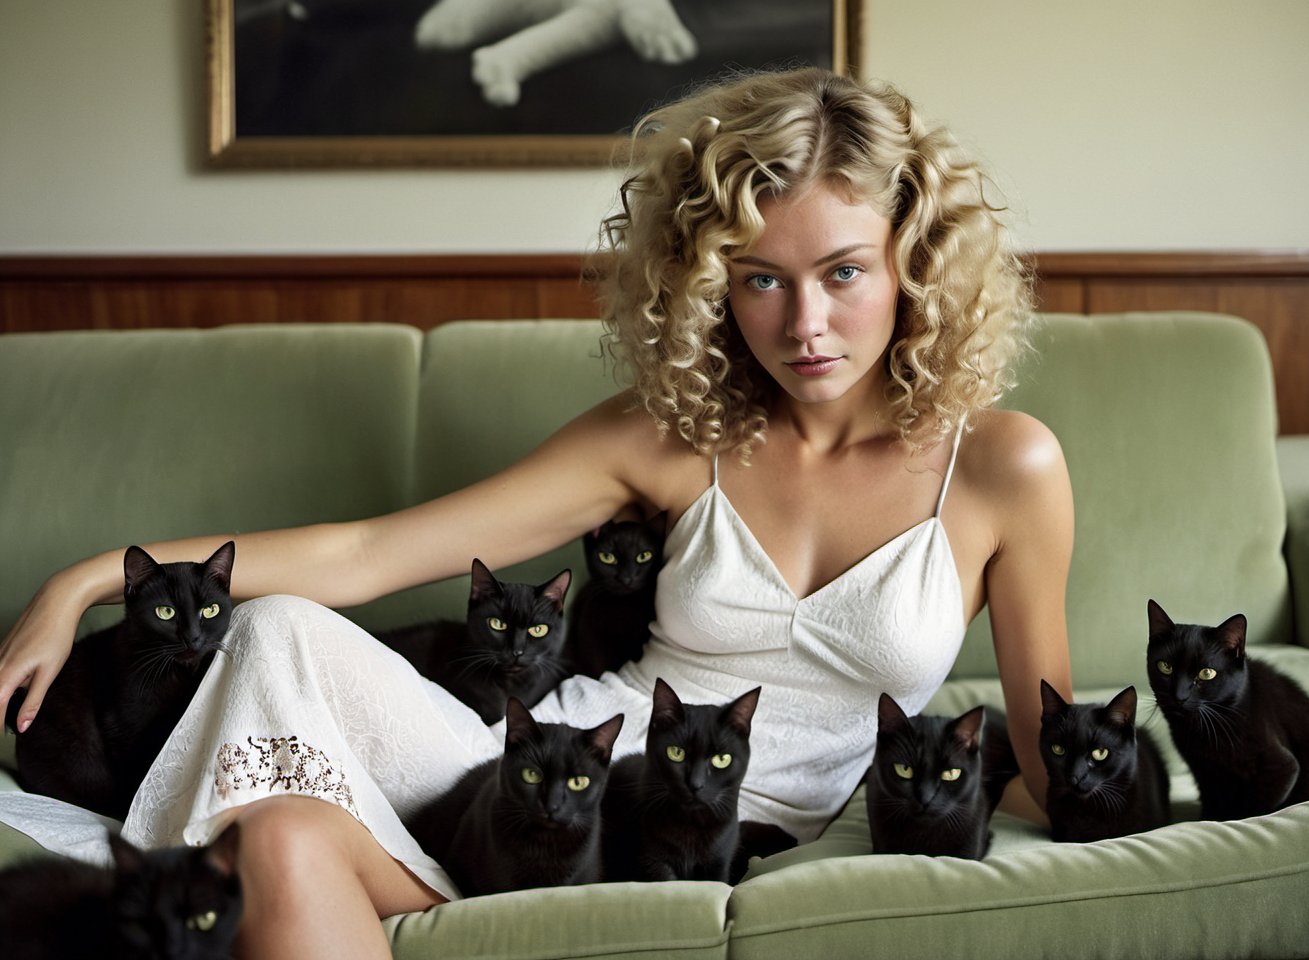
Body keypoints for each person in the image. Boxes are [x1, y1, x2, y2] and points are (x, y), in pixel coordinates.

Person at [0, 67, 1073, 960]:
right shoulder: (665, 436)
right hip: (536, 769)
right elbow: (373, 552)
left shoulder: (1000, 469)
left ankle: (434, 897)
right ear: (708, 283)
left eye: (843, 272)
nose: (805, 324)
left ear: (914, 260)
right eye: (759, 280)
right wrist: (83, 581)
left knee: (283, 841)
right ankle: (444, 889)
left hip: (698, 819)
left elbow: (1046, 755)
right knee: (274, 637)